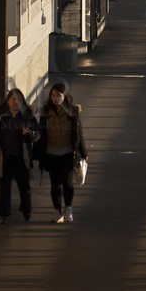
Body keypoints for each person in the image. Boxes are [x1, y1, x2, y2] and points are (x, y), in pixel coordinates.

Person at [0, 88, 40, 224]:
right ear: (8, 101)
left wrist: (29, 133)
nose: (16, 103)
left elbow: (37, 135)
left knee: (25, 189)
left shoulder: (27, 117)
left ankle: (26, 212)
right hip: (5, 158)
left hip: (21, 158)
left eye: (19, 100)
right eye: (13, 100)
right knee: (5, 189)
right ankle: (4, 215)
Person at [37, 82, 87, 224]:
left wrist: (83, 152)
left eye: (58, 95)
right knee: (55, 184)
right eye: (53, 95)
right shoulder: (45, 112)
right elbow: (41, 132)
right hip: (51, 153)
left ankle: (69, 209)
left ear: (64, 96)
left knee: (67, 183)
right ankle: (57, 211)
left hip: (68, 152)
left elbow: (79, 133)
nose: (56, 98)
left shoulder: (72, 112)